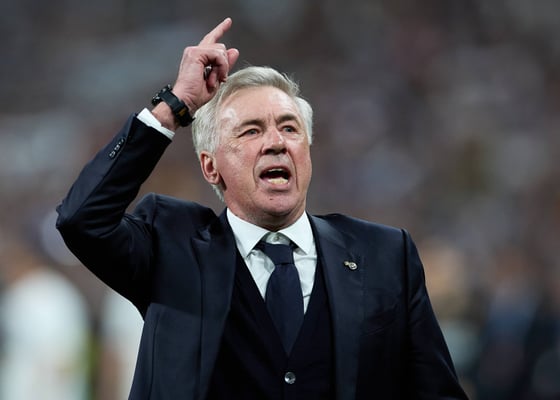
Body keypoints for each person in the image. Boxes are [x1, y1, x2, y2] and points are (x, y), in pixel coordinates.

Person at [56, 17, 468, 400]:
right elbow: (81, 219)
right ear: (211, 167)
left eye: (289, 128)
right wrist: (175, 104)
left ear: (307, 151)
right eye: (251, 131)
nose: (276, 142)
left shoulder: (384, 255)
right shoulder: (170, 245)